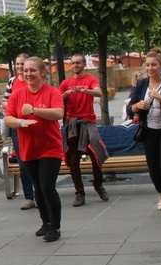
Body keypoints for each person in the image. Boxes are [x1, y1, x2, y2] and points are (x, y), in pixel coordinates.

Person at [5, 56, 65, 242]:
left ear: (42, 73)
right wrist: (21, 121)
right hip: (28, 148)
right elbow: (8, 119)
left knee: (47, 186)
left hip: (50, 147)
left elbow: (58, 113)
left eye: (33, 70)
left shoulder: (52, 92)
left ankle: (55, 226)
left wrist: (34, 111)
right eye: (26, 70)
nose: (28, 74)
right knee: (38, 188)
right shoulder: (17, 94)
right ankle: (45, 223)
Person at [127, 51, 161, 217]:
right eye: (148, 65)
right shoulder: (142, 84)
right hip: (149, 131)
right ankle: (160, 193)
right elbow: (129, 108)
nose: (150, 68)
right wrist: (137, 106)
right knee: (153, 169)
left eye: (154, 65)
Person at [60, 54, 110, 207]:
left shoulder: (90, 79)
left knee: (95, 154)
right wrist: (66, 94)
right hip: (72, 124)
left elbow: (99, 92)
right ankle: (79, 193)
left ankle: (98, 184)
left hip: (88, 122)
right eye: (73, 63)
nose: (75, 65)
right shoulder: (66, 83)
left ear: (83, 64)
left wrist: (84, 91)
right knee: (73, 159)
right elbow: (56, 99)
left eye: (78, 63)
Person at [3, 53, 36, 210]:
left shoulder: (34, 80)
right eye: (18, 64)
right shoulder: (12, 82)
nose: (20, 67)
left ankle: (40, 192)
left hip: (35, 125)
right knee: (23, 161)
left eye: (22, 64)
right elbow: (4, 102)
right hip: (17, 126)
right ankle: (29, 196)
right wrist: (15, 108)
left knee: (38, 159)